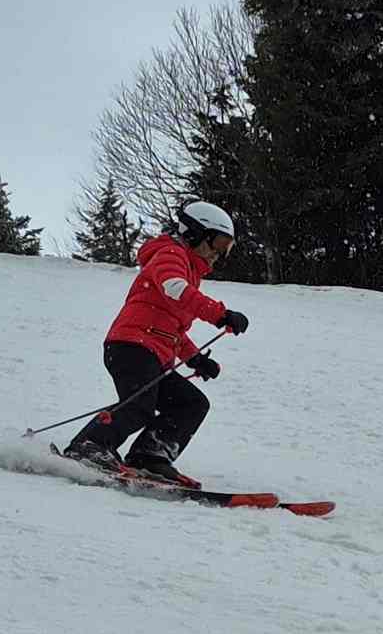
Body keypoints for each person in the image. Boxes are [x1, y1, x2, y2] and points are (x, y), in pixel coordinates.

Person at [63, 199, 252, 484]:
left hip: (151, 351)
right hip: (131, 346)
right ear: (195, 234)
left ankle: (150, 456)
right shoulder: (169, 254)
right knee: (139, 406)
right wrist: (220, 314)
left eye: (227, 247)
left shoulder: (188, 269)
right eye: (219, 243)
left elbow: (172, 328)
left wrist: (195, 359)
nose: (220, 254)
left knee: (191, 403)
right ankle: (90, 446)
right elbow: (174, 288)